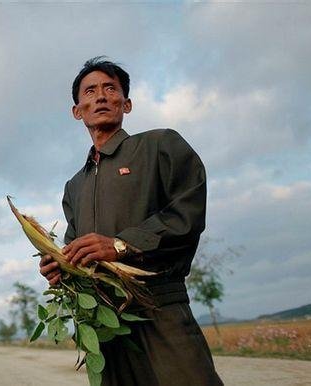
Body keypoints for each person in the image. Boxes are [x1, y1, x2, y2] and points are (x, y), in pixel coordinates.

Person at [39, 57, 223, 386]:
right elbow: (75, 247)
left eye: (111, 88)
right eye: (90, 91)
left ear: (126, 103)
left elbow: (188, 213)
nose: (101, 96)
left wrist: (121, 245)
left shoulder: (160, 146)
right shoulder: (74, 186)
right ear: (77, 110)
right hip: (105, 322)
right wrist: (60, 268)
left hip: (160, 306)